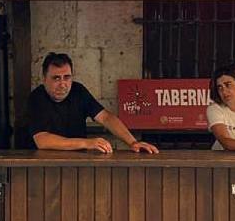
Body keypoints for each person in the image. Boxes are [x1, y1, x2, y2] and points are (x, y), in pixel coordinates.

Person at [28, 52, 159, 154]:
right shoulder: (36, 98)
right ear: (44, 79)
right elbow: (42, 140)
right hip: (44, 166)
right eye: (56, 78)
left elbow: (106, 117)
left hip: (78, 161)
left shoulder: (78, 90)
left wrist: (133, 142)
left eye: (67, 77)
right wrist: (87, 143)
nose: (63, 84)